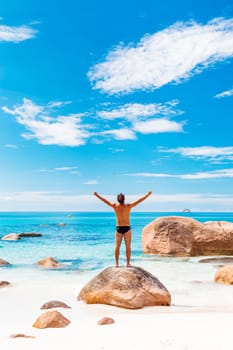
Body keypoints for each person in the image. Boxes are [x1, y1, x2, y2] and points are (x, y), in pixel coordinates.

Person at [93, 191, 152, 267]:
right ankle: (124, 263)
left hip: (120, 228)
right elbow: (139, 200)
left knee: (119, 246)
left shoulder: (115, 206)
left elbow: (105, 201)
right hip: (126, 228)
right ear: (124, 199)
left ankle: (119, 263)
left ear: (118, 199)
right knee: (124, 246)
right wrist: (147, 194)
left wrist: (97, 195)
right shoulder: (127, 206)